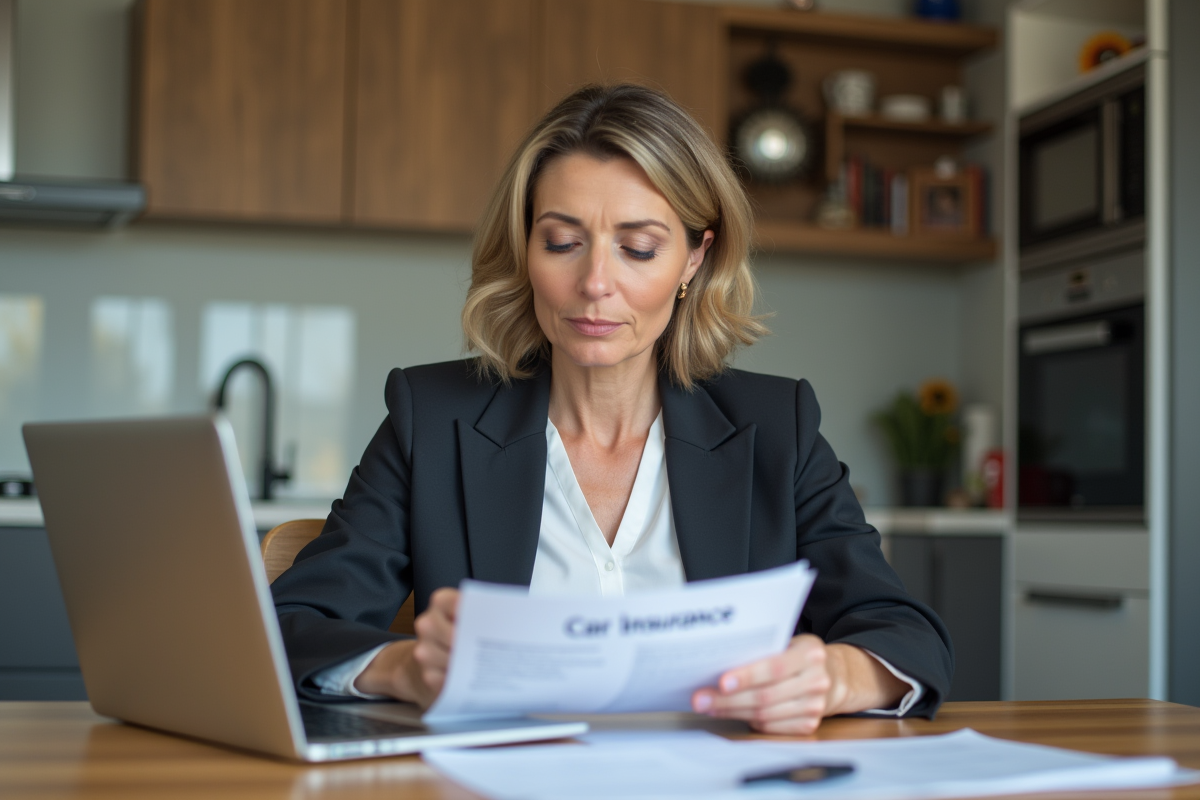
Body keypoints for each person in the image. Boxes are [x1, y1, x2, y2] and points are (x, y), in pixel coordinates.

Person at [272, 84, 953, 734]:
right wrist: (404, 668)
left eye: (639, 248)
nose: (595, 283)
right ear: (525, 248)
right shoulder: (432, 421)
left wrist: (834, 677)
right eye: (562, 242)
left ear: (695, 258)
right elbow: (289, 624)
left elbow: (905, 633)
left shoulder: (776, 427)